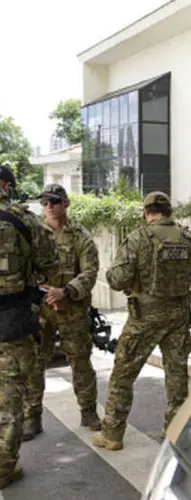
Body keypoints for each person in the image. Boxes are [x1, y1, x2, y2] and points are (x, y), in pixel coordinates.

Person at [93, 191, 191, 450]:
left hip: (144, 320)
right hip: (179, 318)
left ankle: (112, 434)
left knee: (123, 374)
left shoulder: (137, 239)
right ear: (169, 211)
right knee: (176, 376)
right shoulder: (190, 240)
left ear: (146, 212)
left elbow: (117, 280)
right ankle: (175, 432)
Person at [22, 184, 101, 440]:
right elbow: (22, 269)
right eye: (44, 201)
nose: (48, 206)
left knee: (80, 360)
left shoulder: (80, 236)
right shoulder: (33, 235)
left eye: (54, 201)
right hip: (41, 309)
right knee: (35, 363)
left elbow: (89, 272)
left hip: (72, 309)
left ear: (65, 203)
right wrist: (44, 292)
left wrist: (66, 292)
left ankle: (88, 411)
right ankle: (32, 417)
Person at [0, 164, 58, 487]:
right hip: (11, 322)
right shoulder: (22, 219)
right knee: (10, 397)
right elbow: (49, 261)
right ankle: (4, 467)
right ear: (7, 186)